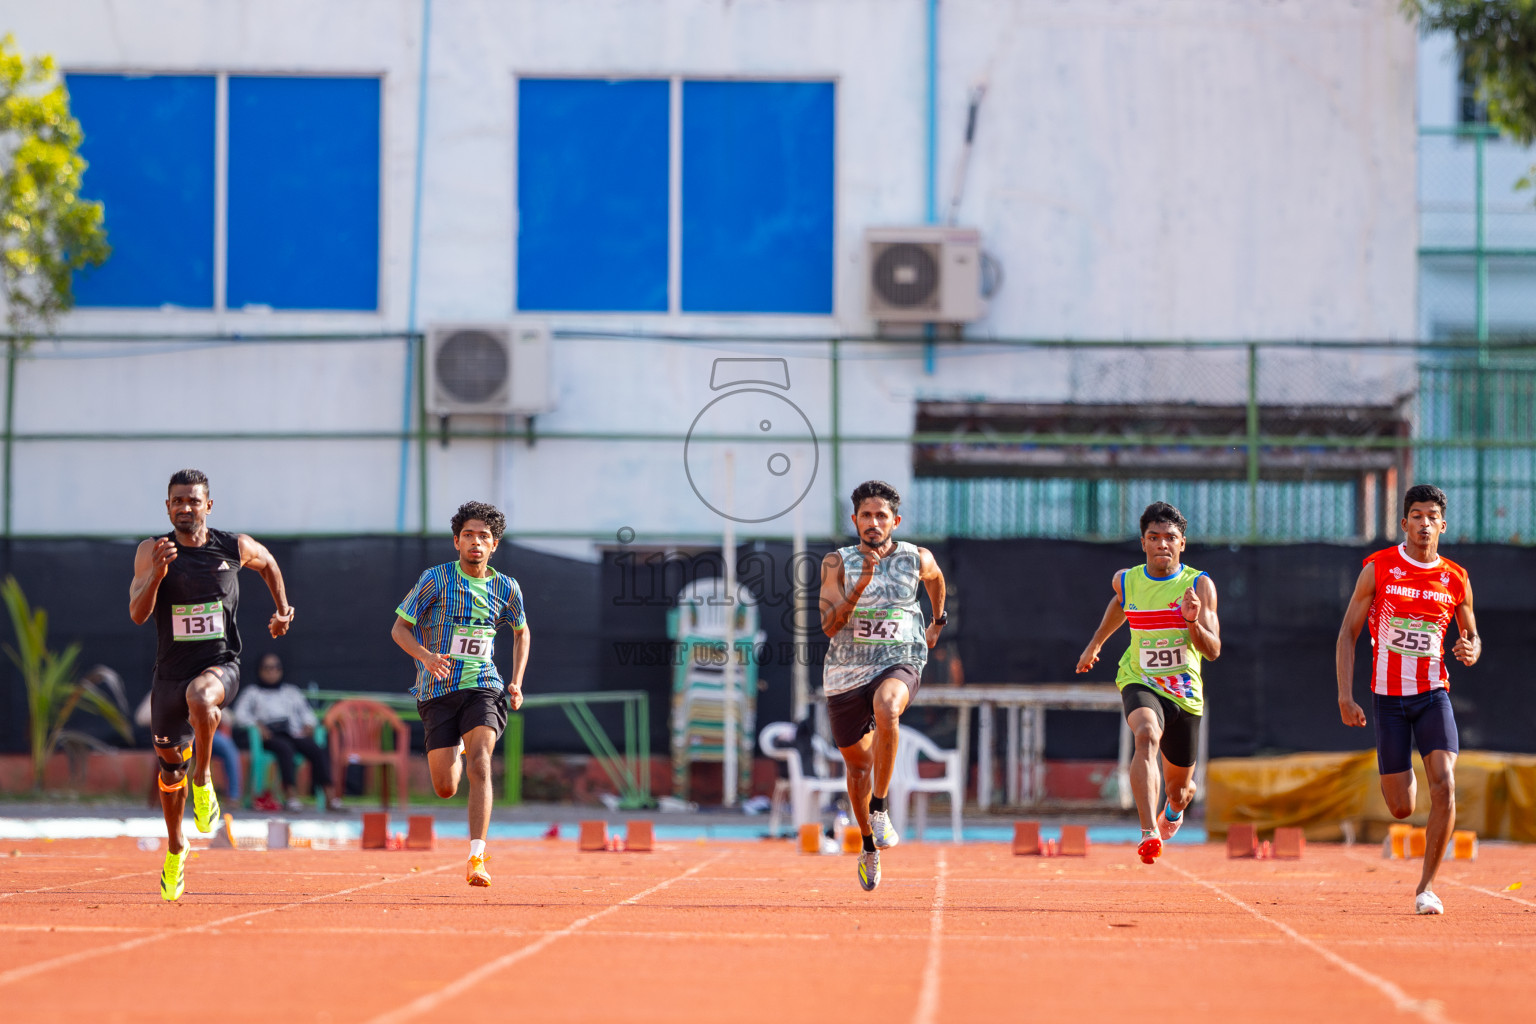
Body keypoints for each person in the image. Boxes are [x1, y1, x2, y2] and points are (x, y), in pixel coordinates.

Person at [128, 469, 295, 901]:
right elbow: (137, 613)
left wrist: (282, 609)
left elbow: (269, 563)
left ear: (208, 505)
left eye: (193, 501)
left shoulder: (232, 546)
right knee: (168, 765)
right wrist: (157, 576)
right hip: (169, 673)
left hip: (221, 664)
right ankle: (176, 846)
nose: (186, 508)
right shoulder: (153, 550)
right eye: (177, 501)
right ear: (168, 507)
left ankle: (203, 778)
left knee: (201, 698)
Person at [1336, 484, 1479, 915]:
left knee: (1446, 784)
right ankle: (1409, 775)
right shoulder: (1378, 569)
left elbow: (1470, 634)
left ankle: (1427, 887)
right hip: (1388, 699)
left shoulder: (1455, 578)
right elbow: (1348, 634)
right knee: (1401, 807)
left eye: (1431, 516)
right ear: (1404, 523)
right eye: (1415, 515)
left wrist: (1471, 648)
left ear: (1442, 524)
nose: (1423, 523)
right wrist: (1345, 695)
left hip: (1433, 694)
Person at [391, 501, 530, 888]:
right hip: (437, 690)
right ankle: (460, 746)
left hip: (484, 685)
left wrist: (516, 679)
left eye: (483, 536)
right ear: (456, 541)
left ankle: (477, 856)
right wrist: (426, 657)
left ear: (494, 545)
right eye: (468, 535)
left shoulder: (507, 587)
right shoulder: (435, 580)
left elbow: (521, 631)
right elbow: (399, 629)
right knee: (445, 786)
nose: (475, 542)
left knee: (482, 763)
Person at [1075, 501, 1220, 866]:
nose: (1162, 545)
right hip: (1139, 678)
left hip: (1184, 693)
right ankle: (1147, 832)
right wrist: (1096, 644)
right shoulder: (1127, 579)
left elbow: (1214, 650)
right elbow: (1120, 604)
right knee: (1145, 735)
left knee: (1180, 790)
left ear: (1182, 544)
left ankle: (1173, 809)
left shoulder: (1199, 585)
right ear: (1143, 543)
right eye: (1153, 538)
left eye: (1170, 538)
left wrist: (1192, 622)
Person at [819, 480, 946, 892]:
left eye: (882, 516)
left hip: (900, 657)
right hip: (845, 672)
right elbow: (829, 626)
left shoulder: (916, 557)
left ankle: (880, 805)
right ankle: (869, 846)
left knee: (888, 708)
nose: (874, 523)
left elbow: (936, 580)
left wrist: (937, 620)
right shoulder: (837, 563)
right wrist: (862, 582)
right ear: (855, 520)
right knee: (856, 767)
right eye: (866, 516)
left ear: (896, 521)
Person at [231, 653, 342, 812]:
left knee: (316, 749)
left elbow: (306, 713)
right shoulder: (252, 693)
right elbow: (240, 715)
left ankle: (330, 796)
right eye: (267, 668)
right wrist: (257, 725)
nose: (272, 672)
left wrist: (309, 724)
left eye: (276, 667)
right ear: (260, 670)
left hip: (292, 732)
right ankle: (291, 796)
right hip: (269, 736)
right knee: (285, 749)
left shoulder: (291, 692)